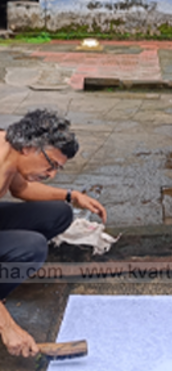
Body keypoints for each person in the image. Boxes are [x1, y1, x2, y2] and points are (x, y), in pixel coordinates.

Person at [0, 109, 106, 357]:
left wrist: (72, 196)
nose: (51, 174)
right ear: (28, 148)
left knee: (59, 213)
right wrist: (7, 326)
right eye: (51, 165)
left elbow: (21, 188)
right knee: (31, 247)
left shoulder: (10, 147)